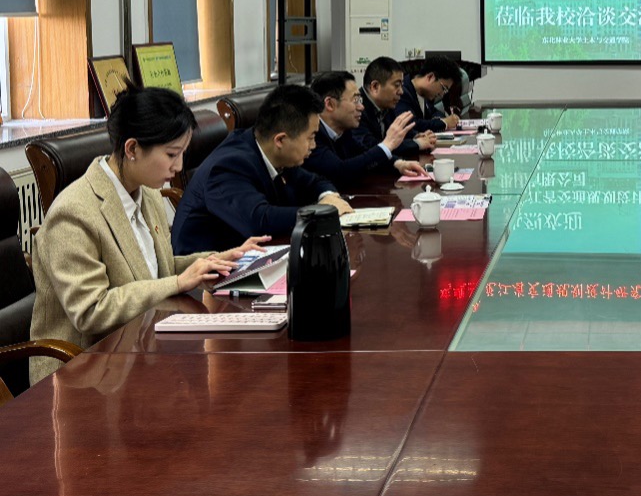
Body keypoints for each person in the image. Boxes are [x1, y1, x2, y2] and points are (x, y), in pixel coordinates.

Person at [29, 86, 268, 384]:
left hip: (140, 352)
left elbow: (157, 269)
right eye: (171, 154)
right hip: (85, 373)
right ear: (132, 149)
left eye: (182, 153)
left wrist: (217, 261)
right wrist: (178, 282)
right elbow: (92, 311)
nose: (179, 167)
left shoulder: (148, 193)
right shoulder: (73, 214)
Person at [172, 84, 353, 255]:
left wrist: (328, 196)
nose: (314, 145)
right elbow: (259, 221)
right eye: (311, 137)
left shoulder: (273, 152)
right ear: (280, 140)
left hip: (251, 254)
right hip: (205, 268)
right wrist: (322, 211)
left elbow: (314, 182)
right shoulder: (229, 166)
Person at [304, 70, 425, 187]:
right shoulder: (310, 135)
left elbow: (364, 156)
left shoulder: (344, 131)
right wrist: (387, 145)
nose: (361, 107)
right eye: (355, 100)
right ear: (330, 104)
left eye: (360, 100)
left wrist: (398, 164)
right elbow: (341, 172)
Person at [355, 56, 437, 158]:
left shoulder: (386, 105)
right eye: (396, 85)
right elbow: (373, 147)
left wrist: (416, 136)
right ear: (375, 86)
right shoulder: (357, 110)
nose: (401, 91)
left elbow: (397, 134)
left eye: (401, 85)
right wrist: (416, 143)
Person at [396, 55, 461, 134]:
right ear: (430, 77)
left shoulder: (425, 94)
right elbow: (411, 124)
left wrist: (440, 119)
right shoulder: (402, 92)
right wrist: (444, 123)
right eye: (443, 88)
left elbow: (434, 112)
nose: (442, 94)